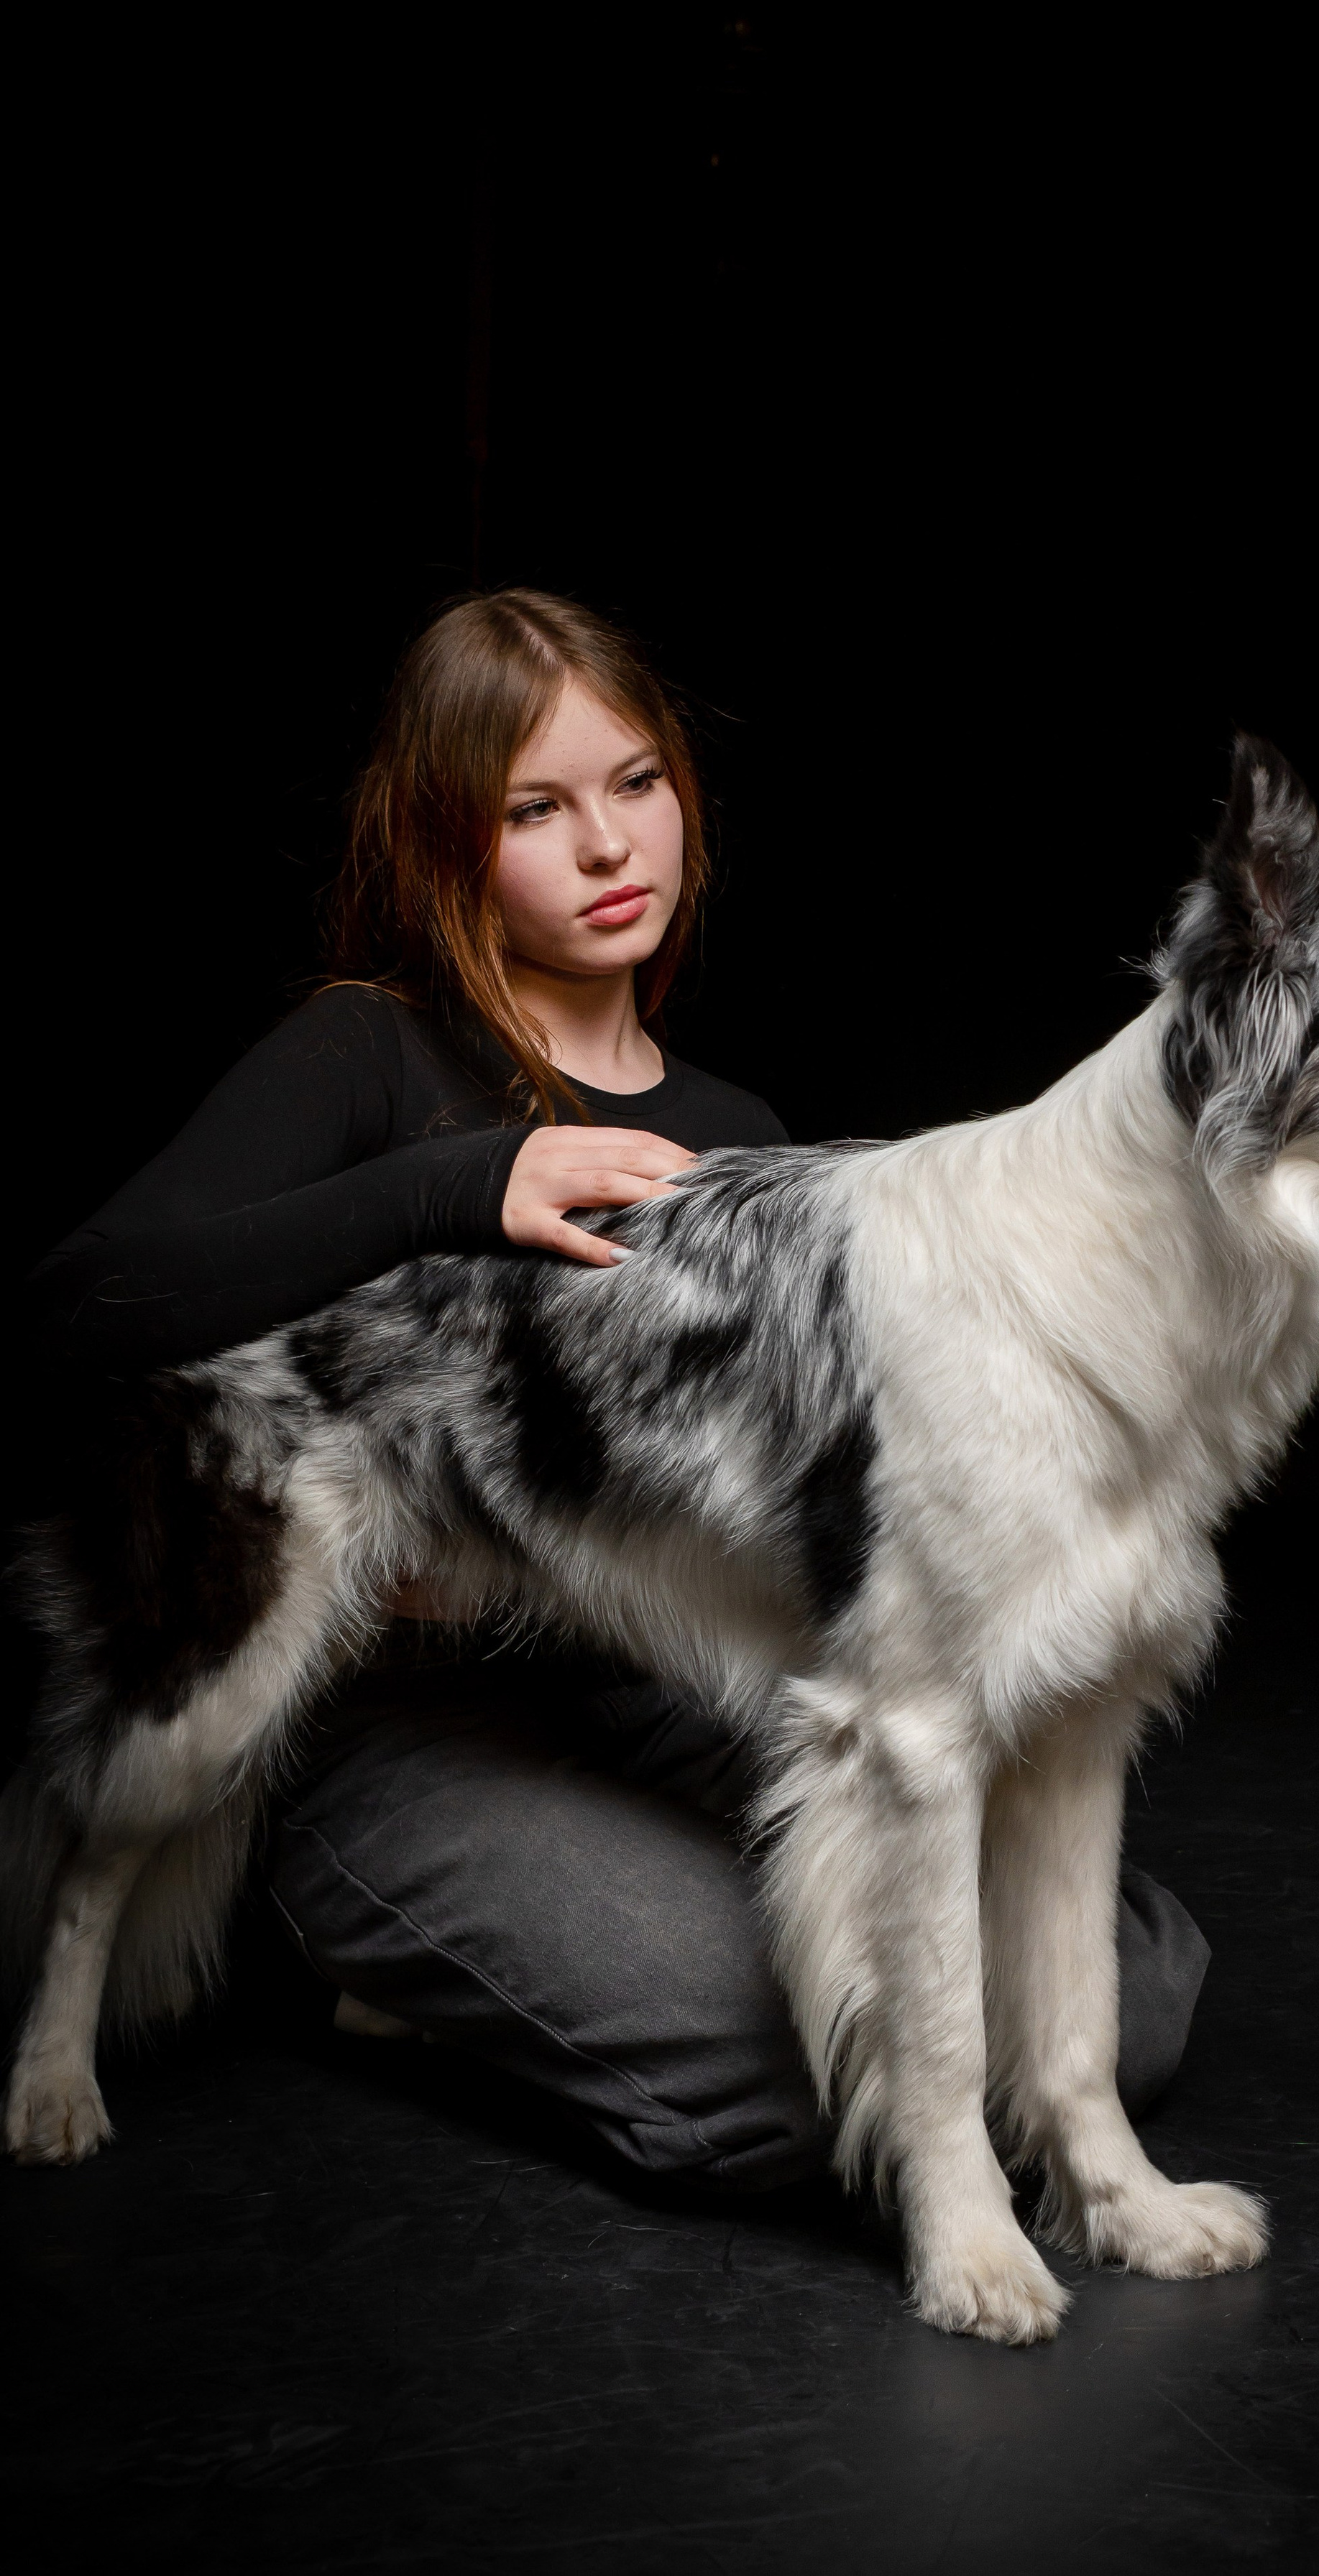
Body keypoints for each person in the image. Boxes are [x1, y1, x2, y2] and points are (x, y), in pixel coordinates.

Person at [25, 588, 1210, 2189]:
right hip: (390, 1732)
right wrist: (457, 1181)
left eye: (634, 783)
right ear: (452, 844)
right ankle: (353, 1953)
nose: (605, 847)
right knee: (768, 2045)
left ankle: (540, 1982)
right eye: (534, 808)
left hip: (674, 1688)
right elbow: (81, 1309)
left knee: (1119, 1996)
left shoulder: (741, 1127)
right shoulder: (364, 1054)